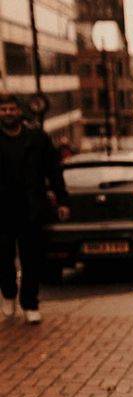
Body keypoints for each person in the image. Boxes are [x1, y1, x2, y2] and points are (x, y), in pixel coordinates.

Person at [0, 93, 69, 323]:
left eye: (11, 109)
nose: (8, 113)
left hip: (31, 207)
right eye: (3, 110)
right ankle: (8, 292)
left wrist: (62, 200)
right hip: (2, 210)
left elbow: (54, 170)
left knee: (32, 259)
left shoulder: (37, 138)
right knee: (3, 257)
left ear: (20, 111)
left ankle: (30, 303)